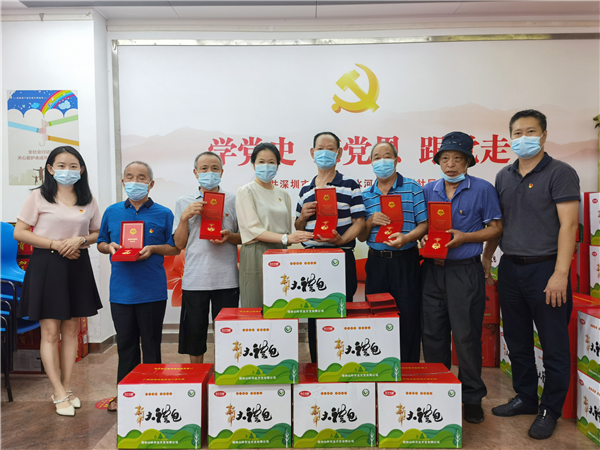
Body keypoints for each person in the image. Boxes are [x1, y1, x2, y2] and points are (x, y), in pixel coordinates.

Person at [487, 110, 579, 439]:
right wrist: (486, 258)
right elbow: (499, 224)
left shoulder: (560, 172)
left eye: (530, 131)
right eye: (517, 132)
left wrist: (560, 273)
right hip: (510, 268)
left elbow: (569, 224)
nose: (523, 138)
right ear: (510, 137)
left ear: (543, 135)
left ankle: (550, 409)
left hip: (546, 269)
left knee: (553, 345)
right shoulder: (503, 176)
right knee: (517, 340)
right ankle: (526, 397)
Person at [14, 145, 103, 416]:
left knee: (71, 329)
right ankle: (58, 392)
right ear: (50, 169)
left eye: (73, 166)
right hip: (46, 265)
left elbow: (97, 232)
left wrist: (80, 240)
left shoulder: (88, 199)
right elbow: (20, 232)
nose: (67, 170)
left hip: (77, 264)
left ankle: (66, 387)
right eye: (61, 165)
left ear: (81, 170)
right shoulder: (38, 196)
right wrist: (55, 244)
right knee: (50, 332)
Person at [421, 132, 503, 424]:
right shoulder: (428, 190)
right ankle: (438, 391)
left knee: (466, 337)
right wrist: (419, 238)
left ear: (468, 161)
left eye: (457, 158)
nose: (451, 164)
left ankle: (471, 398)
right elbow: (422, 226)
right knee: (433, 335)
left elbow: (496, 228)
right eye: (445, 158)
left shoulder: (482, 189)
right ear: (438, 161)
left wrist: (465, 237)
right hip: (432, 271)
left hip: (464, 271)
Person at [97, 161, 180, 412]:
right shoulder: (112, 212)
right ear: (123, 182)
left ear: (151, 184)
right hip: (121, 292)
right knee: (126, 346)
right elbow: (101, 242)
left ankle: (153, 395)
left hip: (152, 291)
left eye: (141, 177)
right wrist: (109, 247)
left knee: (151, 345)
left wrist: (153, 249)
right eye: (130, 177)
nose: (135, 181)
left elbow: (174, 248)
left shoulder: (164, 213)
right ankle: (125, 395)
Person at [295, 131, 366, 363]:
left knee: (342, 312)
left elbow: (359, 222)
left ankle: (343, 365)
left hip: (341, 256)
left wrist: (342, 240)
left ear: (339, 153)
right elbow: (297, 226)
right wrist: (302, 216)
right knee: (313, 314)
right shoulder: (305, 189)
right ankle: (316, 364)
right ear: (312, 153)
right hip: (311, 260)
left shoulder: (350, 185)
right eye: (320, 148)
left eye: (330, 148)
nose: (324, 153)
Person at [358, 141, 428, 363]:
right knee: (377, 315)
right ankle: (380, 366)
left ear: (396, 160)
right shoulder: (366, 195)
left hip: (405, 261)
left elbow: (424, 224)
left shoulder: (413, 188)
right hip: (377, 263)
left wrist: (406, 238)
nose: (382, 161)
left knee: (408, 317)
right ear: (371, 163)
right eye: (377, 157)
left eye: (387, 156)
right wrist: (369, 222)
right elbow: (362, 236)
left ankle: (408, 368)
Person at [173, 151, 241, 363]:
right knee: (195, 334)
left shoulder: (234, 200)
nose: (209, 172)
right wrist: (184, 217)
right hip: (195, 279)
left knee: (228, 333)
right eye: (204, 168)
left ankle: (226, 371)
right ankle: (197, 374)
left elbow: (244, 236)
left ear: (222, 172)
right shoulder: (183, 201)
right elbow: (179, 244)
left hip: (227, 278)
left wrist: (229, 237)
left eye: (214, 168)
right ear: (195, 173)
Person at [236, 143, 313, 307]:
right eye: (261, 161)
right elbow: (252, 229)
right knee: (255, 304)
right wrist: (286, 238)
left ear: (278, 166)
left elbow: (287, 231)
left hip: (280, 250)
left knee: (281, 303)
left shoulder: (283, 193)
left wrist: (289, 239)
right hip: (256, 251)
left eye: (271, 162)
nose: (266, 166)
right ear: (253, 164)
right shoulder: (246, 191)